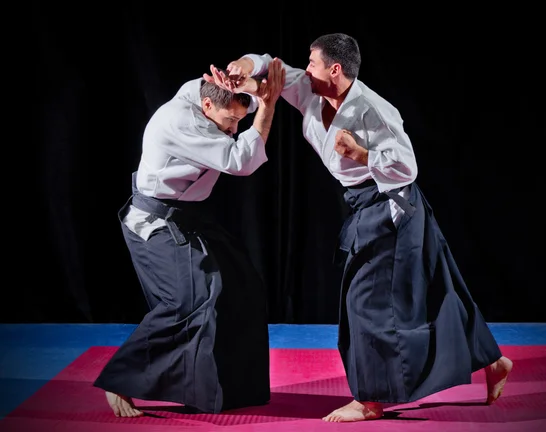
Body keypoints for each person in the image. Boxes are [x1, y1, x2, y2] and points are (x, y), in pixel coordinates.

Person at [207, 33, 513, 423]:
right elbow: (268, 66)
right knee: (439, 286)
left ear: (335, 69)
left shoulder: (373, 110)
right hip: (363, 202)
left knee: (363, 301)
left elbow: (407, 167)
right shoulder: (311, 89)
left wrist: (362, 154)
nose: (307, 69)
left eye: (313, 63)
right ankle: (493, 360)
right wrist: (241, 72)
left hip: (390, 203)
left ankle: (370, 399)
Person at [93, 59, 286, 417]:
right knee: (191, 299)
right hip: (155, 222)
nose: (232, 129)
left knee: (243, 288)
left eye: (237, 123)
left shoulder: (202, 93)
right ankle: (119, 379)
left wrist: (248, 76)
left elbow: (256, 71)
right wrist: (268, 104)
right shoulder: (180, 121)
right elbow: (239, 161)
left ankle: (228, 390)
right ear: (208, 106)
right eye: (230, 122)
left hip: (189, 217)